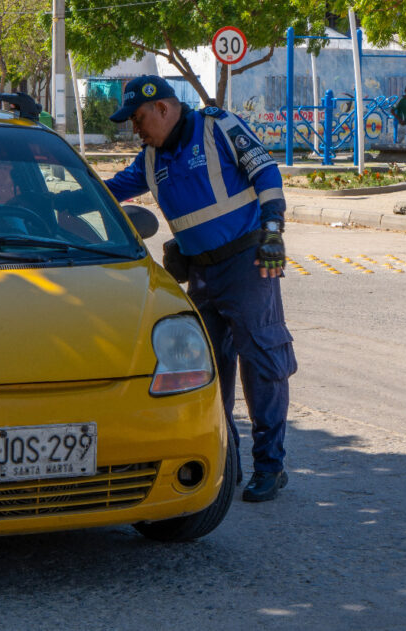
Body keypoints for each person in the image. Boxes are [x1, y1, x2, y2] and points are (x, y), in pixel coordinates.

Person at [104, 75, 296, 503]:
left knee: (262, 362)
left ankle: (271, 466)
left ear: (163, 109)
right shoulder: (150, 160)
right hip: (202, 275)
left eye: (138, 119)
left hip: (247, 263)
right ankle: (227, 465)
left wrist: (272, 229)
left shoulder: (217, 126)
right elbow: (109, 191)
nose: (136, 130)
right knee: (208, 375)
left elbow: (265, 171)